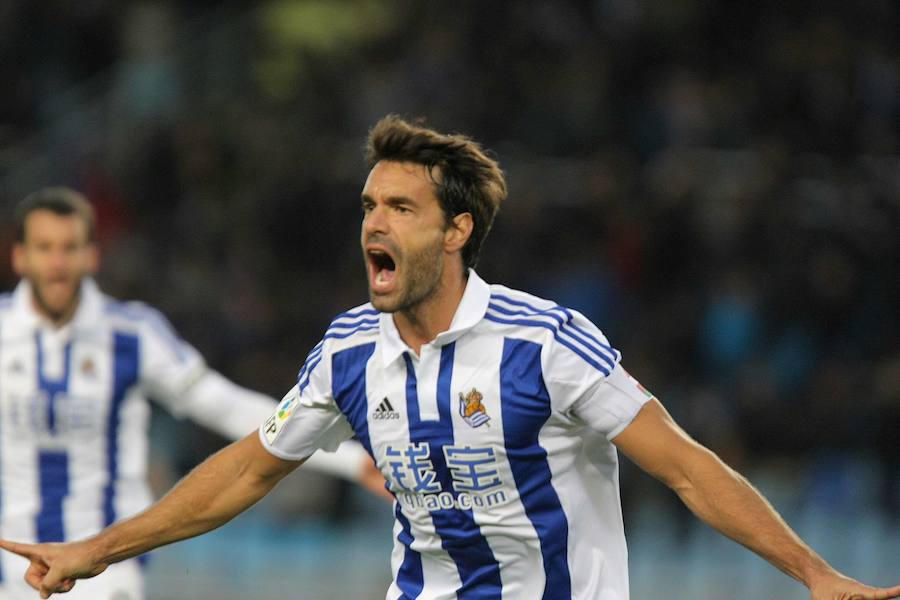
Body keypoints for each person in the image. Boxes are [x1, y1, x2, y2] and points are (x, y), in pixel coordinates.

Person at [1, 117, 898, 600]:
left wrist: (816, 575)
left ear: (457, 230)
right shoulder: (349, 351)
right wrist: (100, 551)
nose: (373, 224)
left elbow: (691, 473)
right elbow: (245, 471)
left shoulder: (546, 343)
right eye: (367, 205)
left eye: (400, 207)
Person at [0, 187, 386, 600]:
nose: (58, 264)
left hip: (104, 571)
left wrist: (350, 461)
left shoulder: (131, 333)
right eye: (44, 248)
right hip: (11, 568)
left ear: (92, 255)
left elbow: (221, 404)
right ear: (19, 256)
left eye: (69, 248)